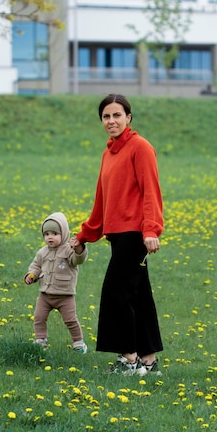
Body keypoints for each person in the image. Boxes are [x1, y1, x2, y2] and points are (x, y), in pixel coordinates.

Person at [70, 93, 164, 375]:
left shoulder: (141, 148)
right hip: (117, 235)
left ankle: (129, 358)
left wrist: (151, 230)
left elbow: (151, 192)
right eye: (106, 116)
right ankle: (148, 361)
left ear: (128, 118)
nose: (111, 121)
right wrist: (86, 234)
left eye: (117, 115)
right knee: (138, 296)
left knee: (115, 293)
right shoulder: (108, 152)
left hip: (136, 234)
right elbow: (102, 199)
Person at [24, 212, 88, 353]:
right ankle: (41, 340)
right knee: (39, 317)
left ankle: (79, 342)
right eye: (47, 234)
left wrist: (78, 248)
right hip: (45, 295)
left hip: (65, 295)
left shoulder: (69, 250)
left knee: (70, 320)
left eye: (54, 233)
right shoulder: (42, 252)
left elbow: (78, 259)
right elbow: (36, 266)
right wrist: (31, 275)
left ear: (63, 234)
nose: (50, 237)